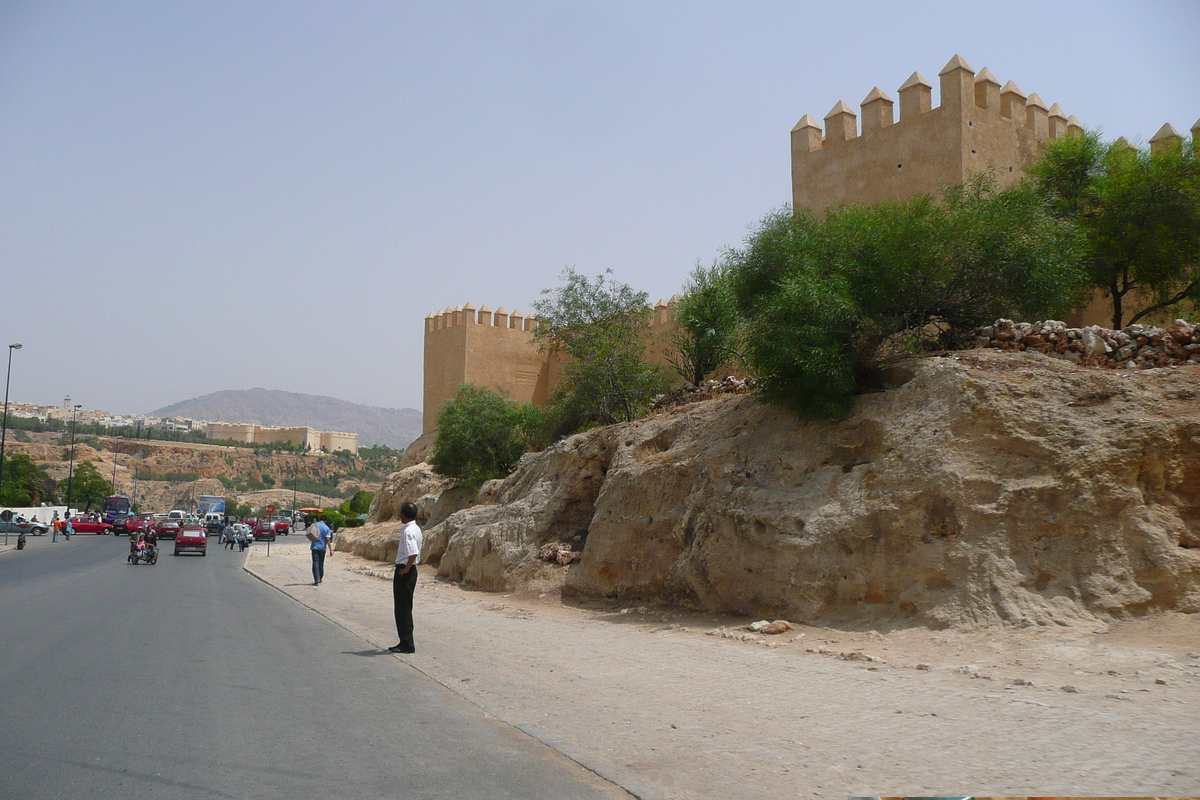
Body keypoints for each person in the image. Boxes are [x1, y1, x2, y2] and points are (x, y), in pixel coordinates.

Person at [389, 502, 422, 654]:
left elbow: (413, 552)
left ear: (403, 514)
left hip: (405, 571)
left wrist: (406, 569)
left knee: (402, 609)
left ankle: (406, 643)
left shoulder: (408, 531)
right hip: (410, 570)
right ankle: (405, 641)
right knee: (405, 607)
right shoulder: (416, 528)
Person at [310, 518, 332, 586]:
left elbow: (309, 533)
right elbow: (328, 539)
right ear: (325, 520)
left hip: (315, 547)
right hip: (322, 548)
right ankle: (320, 577)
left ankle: (316, 579)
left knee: (315, 562)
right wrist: (331, 549)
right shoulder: (326, 528)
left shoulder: (314, 525)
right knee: (321, 563)